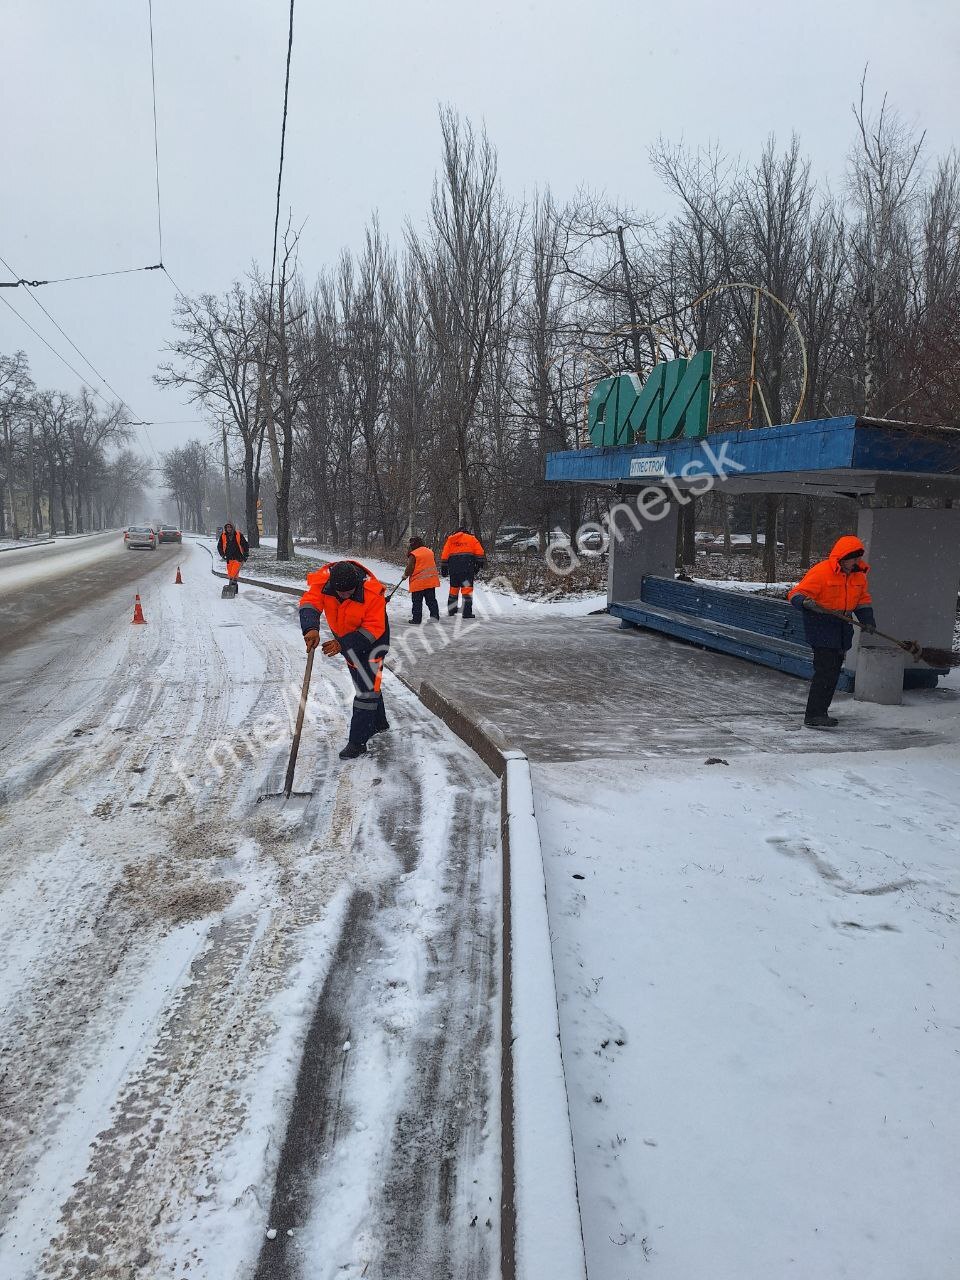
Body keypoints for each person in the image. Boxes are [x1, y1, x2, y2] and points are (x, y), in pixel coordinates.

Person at [299, 559, 390, 760]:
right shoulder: (324, 583)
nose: (344, 596)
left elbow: (373, 629)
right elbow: (309, 602)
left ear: (356, 584)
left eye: (349, 593)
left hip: (373, 644)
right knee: (365, 683)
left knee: (366, 693)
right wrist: (310, 628)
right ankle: (379, 722)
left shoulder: (372, 593)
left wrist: (342, 644)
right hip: (347, 644)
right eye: (340, 593)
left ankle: (357, 742)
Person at [788, 535, 877, 729]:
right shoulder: (821, 572)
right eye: (853, 558)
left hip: (842, 628)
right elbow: (795, 594)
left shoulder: (859, 576)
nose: (856, 562)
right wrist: (805, 602)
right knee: (826, 671)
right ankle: (815, 714)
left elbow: (862, 600)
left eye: (858, 558)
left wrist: (868, 621)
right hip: (821, 625)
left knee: (833, 671)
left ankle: (820, 712)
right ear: (842, 557)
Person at [440, 528, 485, 619]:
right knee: (466, 590)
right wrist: (478, 565)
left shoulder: (451, 539)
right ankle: (466, 612)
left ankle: (452, 610)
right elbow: (480, 553)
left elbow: (445, 554)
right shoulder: (472, 539)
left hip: (454, 571)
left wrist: (444, 568)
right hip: (467, 571)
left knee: (454, 590)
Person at [402, 537, 441, 624]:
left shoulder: (414, 554)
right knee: (431, 600)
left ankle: (416, 619)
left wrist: (405, 575)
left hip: (418, 582)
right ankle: (435, 617)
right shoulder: (429, 551)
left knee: (417, 601)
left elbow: (410, 567)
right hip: (430, 581)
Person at [217, 522, 249, 591]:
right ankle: (235, 588)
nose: (228, 528)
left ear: (232, 528)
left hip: (238, 557)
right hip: (229, 557)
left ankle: (232, 588)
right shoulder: (223, 535)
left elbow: (245, 545)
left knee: (234, 573)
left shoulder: (238, 534)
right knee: (230, 573)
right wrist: (222, 554)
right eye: (227, 527)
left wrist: (246, 554)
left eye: (230, 527)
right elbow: (219, 546)